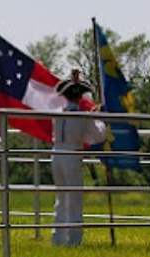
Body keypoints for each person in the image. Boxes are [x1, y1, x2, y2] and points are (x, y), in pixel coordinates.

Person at [51, 70, 107, 246]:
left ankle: (58, 238)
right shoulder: (83, 116)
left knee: (61, 198)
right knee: (74, 198)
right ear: (79, 96)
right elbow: (98, 136)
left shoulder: (58, 112)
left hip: (57, 153)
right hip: (72, 154)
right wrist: (99, 118)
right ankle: (74, 239)